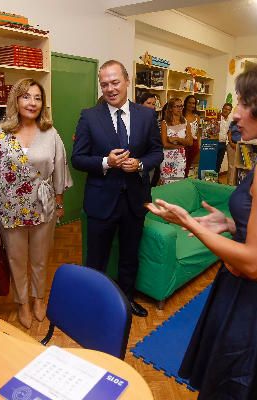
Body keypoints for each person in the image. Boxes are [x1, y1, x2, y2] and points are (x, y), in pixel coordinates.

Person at [147, 63, 257, 399]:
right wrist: (230, 224)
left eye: (243, 104)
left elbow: (254, 261)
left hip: (250, 300)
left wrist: (189, 222)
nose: (235, 115)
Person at [71, 60, 163, 318]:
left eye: (115, 82)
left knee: (129, 257)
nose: (110, 89)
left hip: (135, 201)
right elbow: (77, 158)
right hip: (102, 201)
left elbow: (157, 152)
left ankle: (125, 301)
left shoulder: (147, 115)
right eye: (104, 84)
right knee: (96, 260)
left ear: (127, 81)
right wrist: (105, 162)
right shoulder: (89, 116)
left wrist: (142, 163)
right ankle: (93, 304)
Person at [0, 78, 72, 328]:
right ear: (16, 99)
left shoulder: (50, 133)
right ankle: (22, 302)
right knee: (16, 259)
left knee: (39, 258)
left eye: (37, 98)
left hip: (42, 205)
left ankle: (38, 298)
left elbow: (59, 167)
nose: (32, 103)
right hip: (9, 207)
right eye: (26, 96)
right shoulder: (0, 133)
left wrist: (59, 201)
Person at [158, 97, 192, 183]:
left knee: (178, 183)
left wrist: (176, 138)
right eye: (176, 106)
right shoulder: (164, 123)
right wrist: (181, 145)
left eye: (181, 106)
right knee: (166, 183)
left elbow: (190, 142)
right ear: (170, 108)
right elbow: (165, 144)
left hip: (180, 158)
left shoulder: (185, 122)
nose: (180, 108)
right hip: (167, 158)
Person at [183, 94, 202, 178]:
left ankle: (186, 181)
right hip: (183, 143)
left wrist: (197, 144)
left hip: (193, 144)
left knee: (189, 165)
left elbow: (197, 132)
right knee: (182, 165)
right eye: (189, 103)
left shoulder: (197, 117)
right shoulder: (181, 116)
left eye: (193, 103)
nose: (191, 105)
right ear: (186, 103)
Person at [216, 103, 233, 174]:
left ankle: (215, 178)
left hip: (223, 144)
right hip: (215, 143)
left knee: (219, 163)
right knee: (212, 162)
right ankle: (209, 179)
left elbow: (229, 133)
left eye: (228, 109)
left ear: (230, 111)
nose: (226, 111)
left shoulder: (230, 121)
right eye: (225, 108)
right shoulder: (217, 117)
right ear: (222, 109)